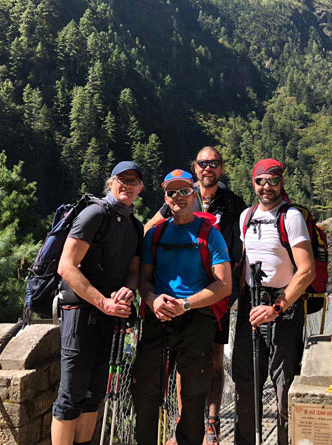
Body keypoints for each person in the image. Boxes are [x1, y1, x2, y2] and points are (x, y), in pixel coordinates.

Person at [143, 146, 248, 444]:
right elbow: (151, 229)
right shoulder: (181, 194)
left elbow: (245, 245)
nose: (208, 168)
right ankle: (185, 419)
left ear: (221, 168)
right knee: (183, 360)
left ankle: (211, 422)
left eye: (213, 163)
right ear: (195, 168)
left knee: (214, 359)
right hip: (179, 296)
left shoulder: (232, 204)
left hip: (216, 294)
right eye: (203, 163)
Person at [52, 161, 144, 445]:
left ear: (140, 188)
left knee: (94, 395)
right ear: (110, 183)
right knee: (71, 395)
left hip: (108, 315)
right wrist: (104, 302)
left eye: (134, 181)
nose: (127, 186)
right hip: (79, 312)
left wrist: (127, 292)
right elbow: (66, 267)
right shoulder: (94, 214)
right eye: (122, 179)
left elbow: (133, 272)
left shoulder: (134, 226)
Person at [233, 158, 315, 445]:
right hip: (251, 305)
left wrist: (277, 307)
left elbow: (306, 270)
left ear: (282, 181)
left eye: (273, 180)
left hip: (284, 308)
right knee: (244, 380)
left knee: (284, 385)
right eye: (261, 181)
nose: (267, 187)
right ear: (253, 183)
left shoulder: (291, 217)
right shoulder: (246, 216)